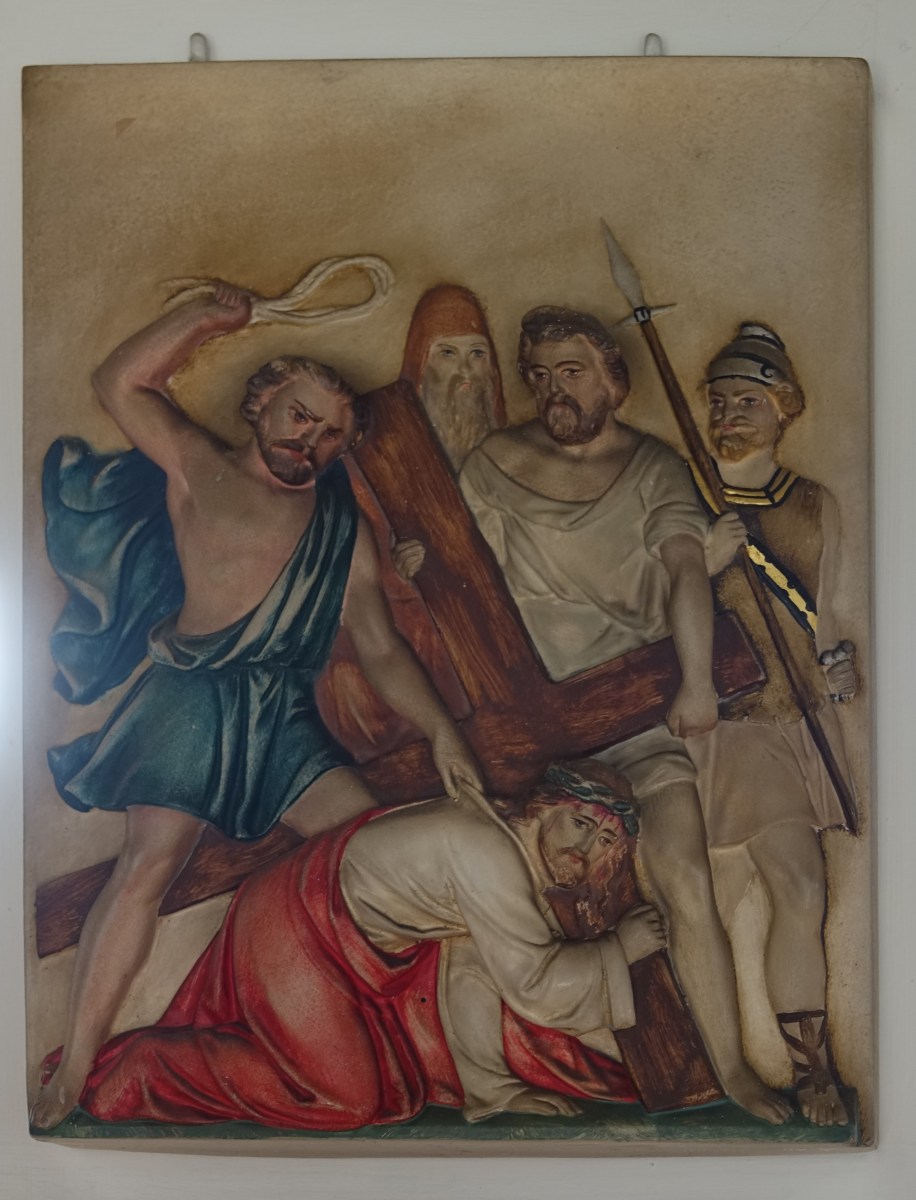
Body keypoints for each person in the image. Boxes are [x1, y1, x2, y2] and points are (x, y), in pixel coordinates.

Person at [31, 282, 482, 1129]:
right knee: (146, 869)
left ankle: (412, 1052)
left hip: (280, 717)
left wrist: (442, 732)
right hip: (189, 699)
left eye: (330, 434)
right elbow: (118, 383)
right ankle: (76, 1068)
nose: (309, 441)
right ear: (261, 404)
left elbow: (381, 647)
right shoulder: (197, 464)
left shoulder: (340, 527)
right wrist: (203, 318)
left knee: (378, 851)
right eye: (299, 416)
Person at [456, 306, 791, 1124]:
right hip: (532, 726)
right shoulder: (494, 463)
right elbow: (461, 575)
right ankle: (502, 1071)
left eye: (571, 372)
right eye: (539, 375)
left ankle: (732, 1067)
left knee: (685, 874)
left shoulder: (651, 468)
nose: (553, 390)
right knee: (501, 885)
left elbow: (685, 573)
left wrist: (696, 683)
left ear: (613, 379)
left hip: (633, 710)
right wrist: (419, 564)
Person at [40, 761, 664, 1131]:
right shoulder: (490, 858)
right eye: (580, 823)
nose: (586, 849)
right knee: (347, 1098)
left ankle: (484, 1091)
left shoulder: (508, 852)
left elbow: (472, 967)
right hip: (298, 927)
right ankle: (145, 1069)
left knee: (405, 1078)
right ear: (544, 809)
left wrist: (493, 1091)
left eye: (606, 842)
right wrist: (622, 948)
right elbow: (534, 986)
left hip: (351, 946)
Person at [692, 321, 856, 1127]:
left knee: (793, 889)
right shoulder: (685, 499)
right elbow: (635, 616)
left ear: (784, 407)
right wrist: (702, 563)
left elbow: (837, 605)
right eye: (719, 401)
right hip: (725, 725)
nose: (730, 415)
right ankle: (752, 1063)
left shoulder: (812, 503)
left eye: (748, 400)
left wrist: (840, 662)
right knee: (747, 896)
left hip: (799, 717)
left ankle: (810, 1067)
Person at [400, 283, 506, 472]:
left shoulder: (514, 452)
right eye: (448, 353)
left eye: (477, 353)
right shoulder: (395, 448)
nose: (465, 369)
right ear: (421, 365)